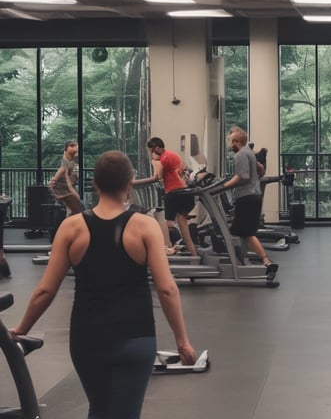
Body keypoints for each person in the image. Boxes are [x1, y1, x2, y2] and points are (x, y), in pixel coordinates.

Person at [10, 150, 196, 419]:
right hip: (136, 337)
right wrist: (182, 341)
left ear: (95, 184)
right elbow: (167, 288)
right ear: (129, 183)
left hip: (87, 340)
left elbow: (45, 290)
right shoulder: (145, 227)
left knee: (99, 409)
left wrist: (21, 329)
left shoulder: (71, 227)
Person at [221, 126, 279, 273]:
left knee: (246, 233)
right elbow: (261, 170)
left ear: (235, 142)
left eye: (230, 141)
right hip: (255, 195)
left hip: (245, 197)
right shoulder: (250, 153)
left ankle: (265, 260)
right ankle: (242, 260)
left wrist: (225, 186)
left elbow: (243, 176)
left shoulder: (240, 155)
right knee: (241, 231)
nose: (230, 145)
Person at [133, 137, 198, 257]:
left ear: (157, 148)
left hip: (175, 192)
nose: (150, 154)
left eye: (150, 151)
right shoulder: (172, 154)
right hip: (185, 191)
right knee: (181, 220)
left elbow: (156, 177)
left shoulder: (163, 159)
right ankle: (192, 252)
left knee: (169, 223)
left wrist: (133, 183)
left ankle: (172, 247)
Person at [49, 140, 85, 215]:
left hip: (67, 188)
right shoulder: (66, 158)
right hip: (62, 189)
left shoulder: (75, 158)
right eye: (71, 146)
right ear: (66, 149)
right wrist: (54, 180)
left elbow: (74, 171)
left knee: (77, 207)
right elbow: (62, 169)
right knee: (78, 207)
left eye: (75, 146)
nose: (74, 148)